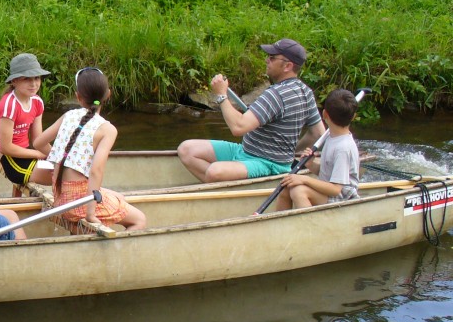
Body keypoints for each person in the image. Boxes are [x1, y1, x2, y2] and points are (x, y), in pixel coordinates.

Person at [177, 38, 325, 183]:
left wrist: (221, 95)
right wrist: (293, 152)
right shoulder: (306, 92)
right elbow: (318, 133)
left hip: (268, 163)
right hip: (245, 151)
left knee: (214, 172)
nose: (267, 60)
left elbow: (238, 127)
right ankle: (225, 187)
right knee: (186, 149)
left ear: (287, 66)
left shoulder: (276, 94)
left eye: (272, 58)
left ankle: (222, 187)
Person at [34, 67, 147, 231]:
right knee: (139, 220)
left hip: (60, 197)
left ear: (78, 96)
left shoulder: (68, 115)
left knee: (119, 196)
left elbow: (38, 143)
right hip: (77, 203)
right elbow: (96, 171)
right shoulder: (107, 129)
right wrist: (90, 213)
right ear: (108, 94)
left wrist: (61, 156)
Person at [275, 88, 360, 210]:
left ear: (324, 114)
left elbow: (336, 189)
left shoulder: (343, 148)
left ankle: (310, 222)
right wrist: (311, 164)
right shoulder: (331, 137)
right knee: (287, 187)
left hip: (343, 198)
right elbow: (327, 174)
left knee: (299, 191)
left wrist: (304, 179)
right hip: (330, 192)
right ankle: (281, 221)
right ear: (353, 117)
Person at [0, 52, 54, 191]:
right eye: (27, 79)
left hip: (26, 153)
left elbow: (38, 140)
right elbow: (5, 147)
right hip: (9, 159)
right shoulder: (10, 105)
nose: (34, 84)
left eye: (37, 78)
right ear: (14, 81)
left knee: (66, 169)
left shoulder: (37, 102)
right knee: (59, 176)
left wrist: (55, 155)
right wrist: (38, 155)